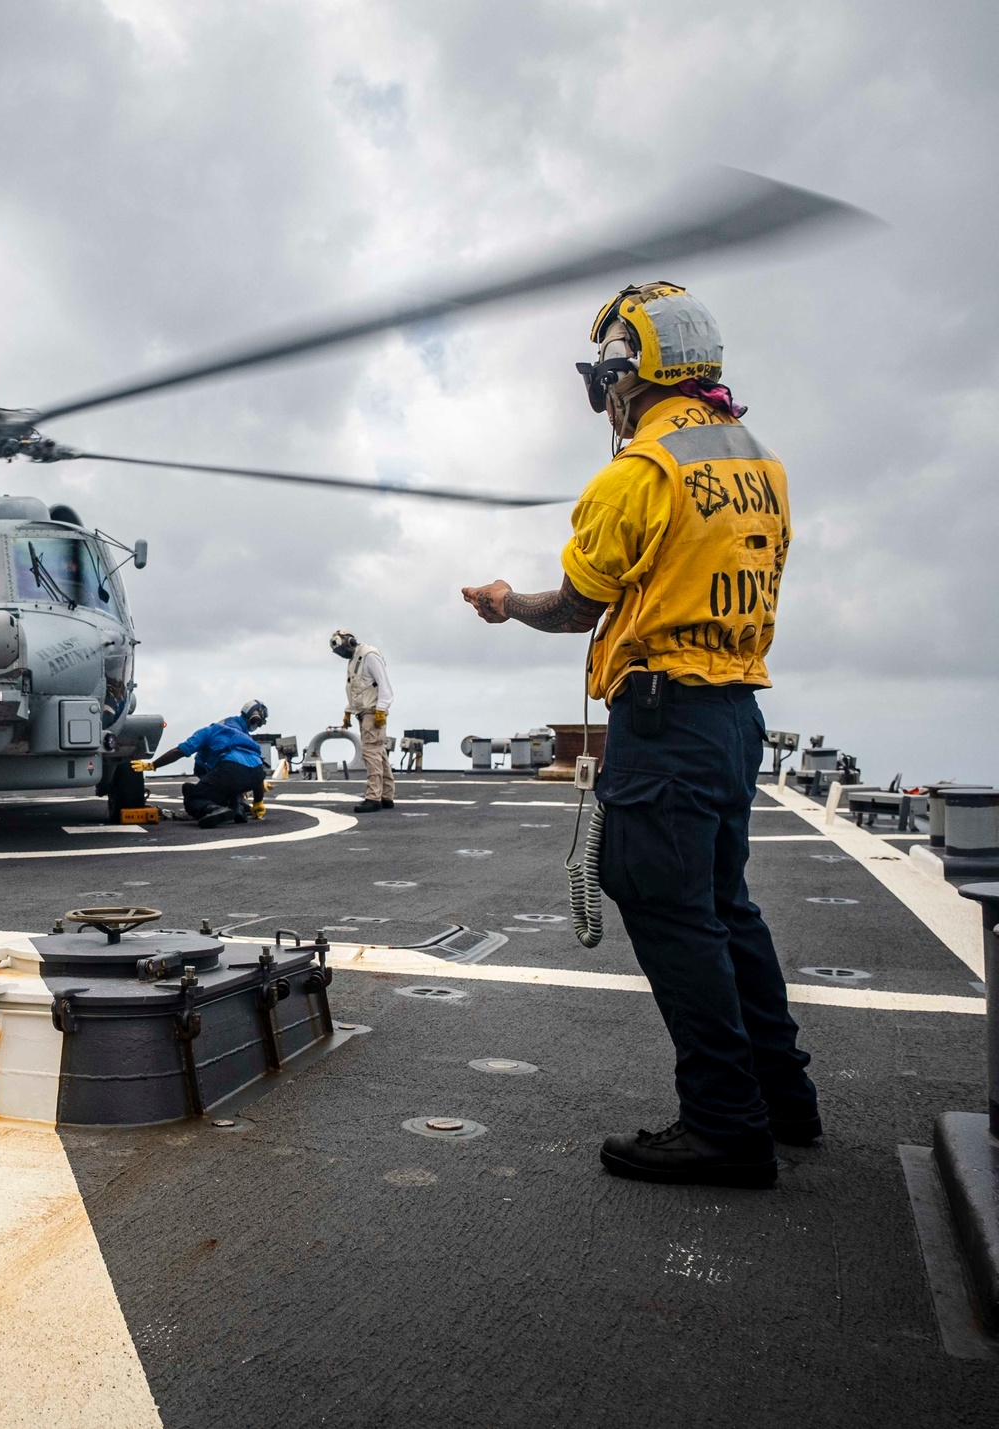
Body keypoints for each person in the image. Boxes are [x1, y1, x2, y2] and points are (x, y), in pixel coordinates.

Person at [460, 280, 816, 1191]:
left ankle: (725, 1124)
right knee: (725, 904)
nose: (605, 400)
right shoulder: (759, 464)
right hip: (735, 718)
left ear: (629, 375)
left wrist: (506, 603)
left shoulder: (639, 475)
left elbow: (578, 603)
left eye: (604, 380)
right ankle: (783, 1097)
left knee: (667, 908)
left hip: (667, 720)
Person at [152, 701, 269, 829]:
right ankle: (236, 808)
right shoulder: (246, 738)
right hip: (257, 773)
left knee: (192, 796)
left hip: (229, 769)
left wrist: (153, 765)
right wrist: (258, 802)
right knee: (229, 786)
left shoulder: (211, 730)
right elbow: (257, 770)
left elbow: (180, 751)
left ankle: (214, 809)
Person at [331, 630, 395, 811]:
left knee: (370, 753)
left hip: (373, 712)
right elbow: (357, 689)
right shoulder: (354, 660)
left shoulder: (369, 656)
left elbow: (385, 685)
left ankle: (373, 798)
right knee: (378, 753)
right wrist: (348, 711)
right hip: (363, 712)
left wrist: (381, 710)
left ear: (350, 642)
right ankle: (386, 796)